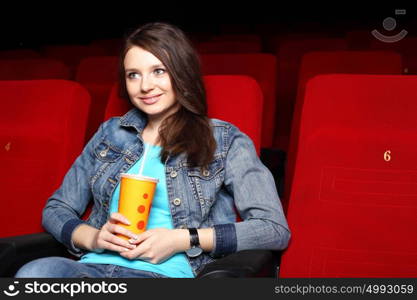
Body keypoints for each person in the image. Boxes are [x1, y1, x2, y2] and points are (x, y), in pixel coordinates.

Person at [15, 22, 290, 278]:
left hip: (164, 274)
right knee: (35, 273)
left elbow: (272, 229)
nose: (145, 86)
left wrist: (184, 239)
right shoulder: (110, 134)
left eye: (158, 71)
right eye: (133, 75)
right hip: (92, 269)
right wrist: (92, 238)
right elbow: (57, 208)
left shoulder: (225, 140)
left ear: (181, 72)